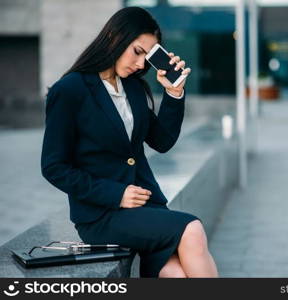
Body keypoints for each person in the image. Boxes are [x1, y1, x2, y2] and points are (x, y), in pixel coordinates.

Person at [40, 6, 218, 278]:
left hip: (147, 205)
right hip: (102, 214)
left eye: (147, 58)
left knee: (177, 274)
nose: (140, 64)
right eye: (137, 52)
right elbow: (54, 167)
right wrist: (116, 194)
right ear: (115, 37)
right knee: (192, 229)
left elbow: (162, 141)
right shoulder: (71, 90)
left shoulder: (132, 87)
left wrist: (174, 92)